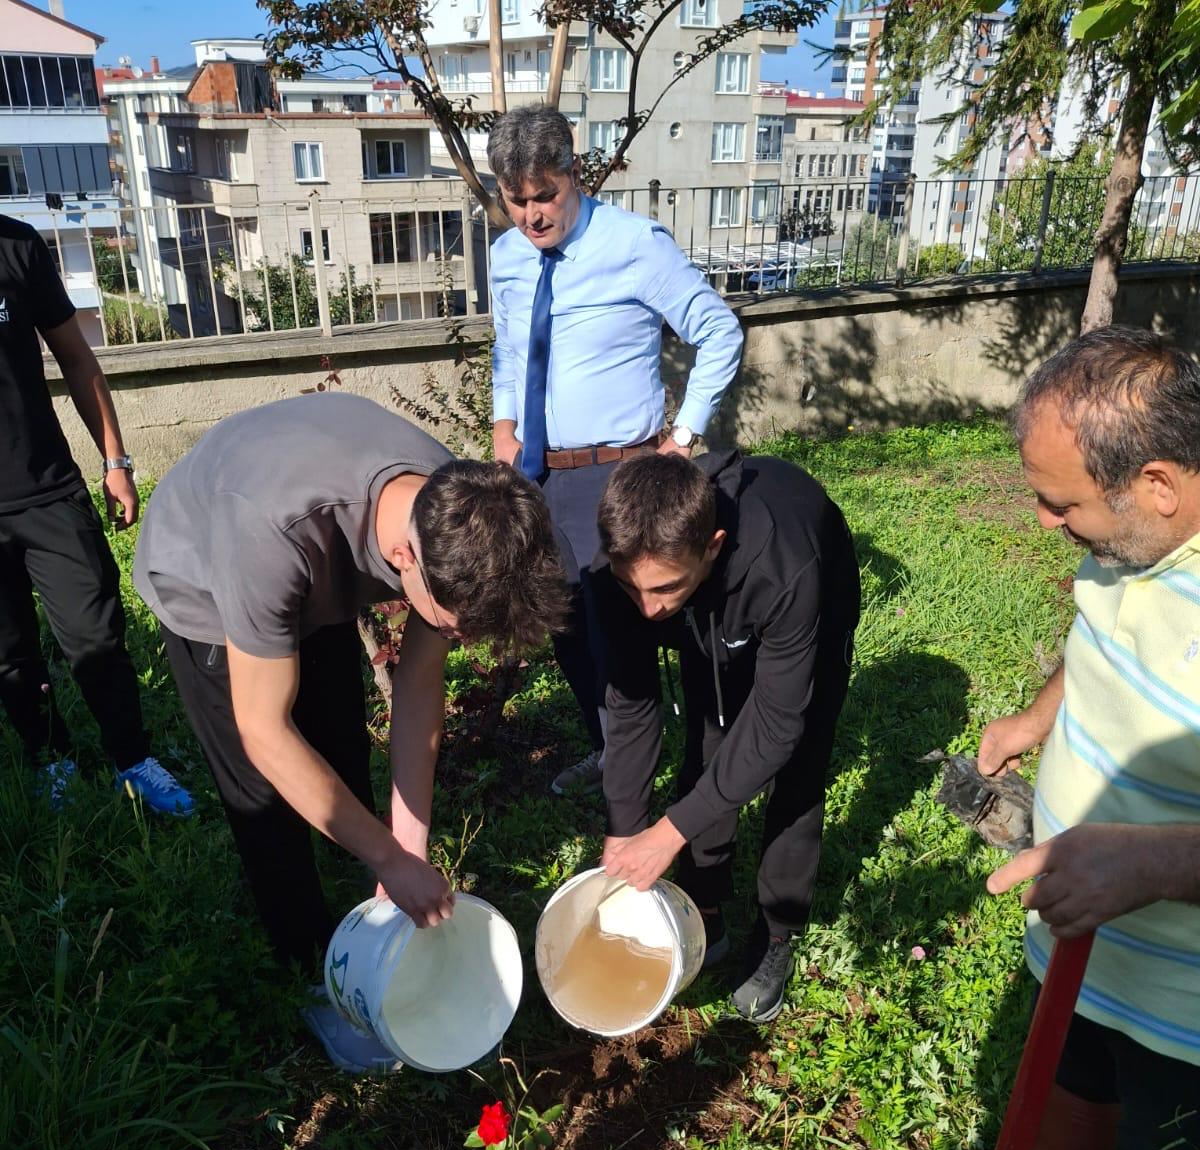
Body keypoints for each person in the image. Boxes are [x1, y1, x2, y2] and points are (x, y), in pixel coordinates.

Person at [899, 327, 1200, 1150]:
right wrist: (1038, 716)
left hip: (1188, 994)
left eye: (1062, 504)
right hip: (1091, 934)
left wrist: (1149, 861)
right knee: (1071, 1083)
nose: (1043, 521)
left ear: (1156, 484)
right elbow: (1098, 639)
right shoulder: (1133, 543)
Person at [132, 392, 568, 1069]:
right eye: (453, 630)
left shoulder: (460, 510)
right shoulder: (273, 535)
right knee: (266, 797)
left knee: (338, 744)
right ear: (403, 557)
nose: (456, 642)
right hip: (206, 574)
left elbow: (418, 686)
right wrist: (391, 862)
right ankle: (312, 970)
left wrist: (407, 846)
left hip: (312, 560)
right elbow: (264, 731)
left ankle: (364, 885)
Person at [487, 105, 744, 796]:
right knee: (563, 624)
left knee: (623, 630)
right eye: (516, 200)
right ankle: (610, 752)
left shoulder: (635, 245)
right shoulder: (507, 256)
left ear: (573, 173)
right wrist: (504, 427)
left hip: (616, 472)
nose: (532, 215)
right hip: (537, 474)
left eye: (546, 196)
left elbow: (718, 332)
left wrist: (682, 438)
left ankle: (662, 767)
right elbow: (509, 350)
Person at [594, 451, 861, 1022]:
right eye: (630, 588)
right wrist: (626, 826)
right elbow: (631, 705)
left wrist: (669, 832)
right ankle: (704, 905)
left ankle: (777, 929)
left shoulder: (785, 567)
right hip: (710, 605)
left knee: (798, 764)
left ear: (713, 546)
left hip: (813, 589)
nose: (647, 609)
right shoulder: (623, 567)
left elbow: (777, 725)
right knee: (711, 735)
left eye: (664, 588)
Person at [0, 212, 193, 812]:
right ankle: (48, 758)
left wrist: (116, 462)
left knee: (97, 637)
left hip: (48, 489)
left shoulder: (16, 246)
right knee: (8, 652)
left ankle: (133, 760)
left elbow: (77, 359)